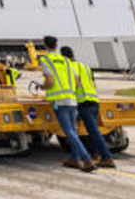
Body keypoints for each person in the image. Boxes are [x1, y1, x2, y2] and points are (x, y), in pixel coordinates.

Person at [38, 36, 95, 172]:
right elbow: (77, 82)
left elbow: (50, 81)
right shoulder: (66, 60)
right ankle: (75, 159)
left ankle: (87, 159)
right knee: (73, 131)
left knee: (69, 131)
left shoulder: (45, 60)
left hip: (59, 101)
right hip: (71, 99)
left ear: (44, 46)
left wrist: (42, 87)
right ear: (56, 46)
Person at [62, 47, 115, 168]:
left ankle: (107, 157)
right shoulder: (85, 67)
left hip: (82, 102)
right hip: (93, 101)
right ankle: (94, 154)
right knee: (91, 130)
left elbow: (73, 85)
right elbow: (93, 84)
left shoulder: (69, 68)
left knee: (89, 131)